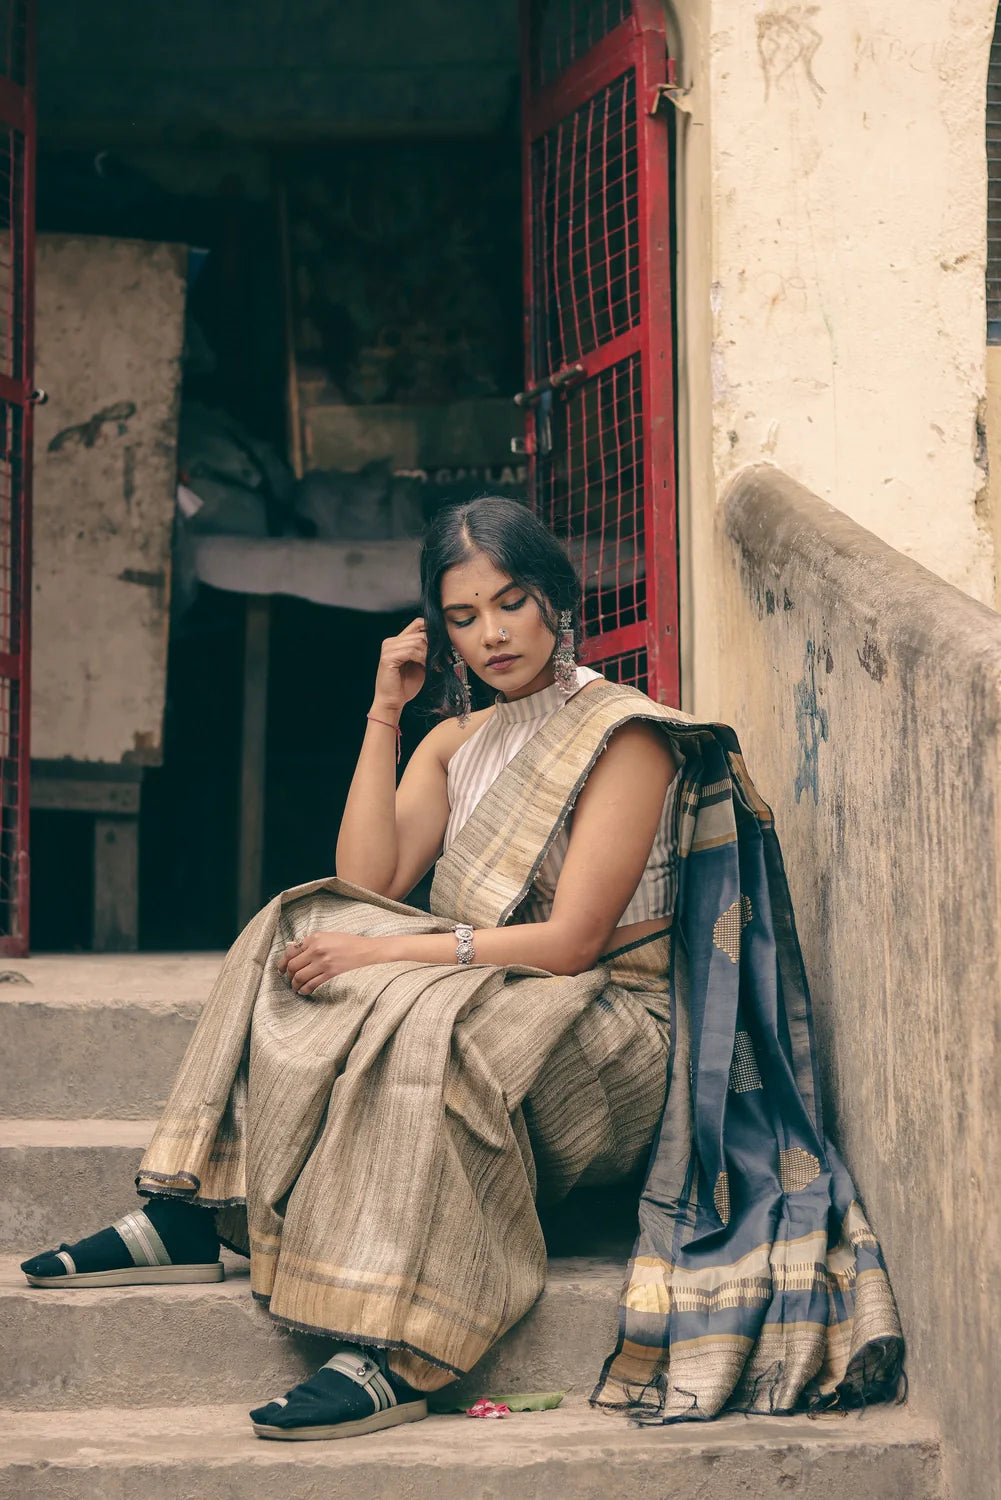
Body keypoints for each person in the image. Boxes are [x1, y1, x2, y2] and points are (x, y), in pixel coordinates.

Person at [20, 497, 903, 1440]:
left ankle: (406, 1349)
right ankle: (197, 1210)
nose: (490, 634)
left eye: (510, 603)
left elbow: (570, 945)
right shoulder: (455, 741)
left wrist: (392, 953)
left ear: (557, 601)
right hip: (476, 991)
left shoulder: (626, 735)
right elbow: (364, 885)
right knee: (301, 922)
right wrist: (385, 711)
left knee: (432, 1029)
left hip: (611, 1023)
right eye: (461, 617)